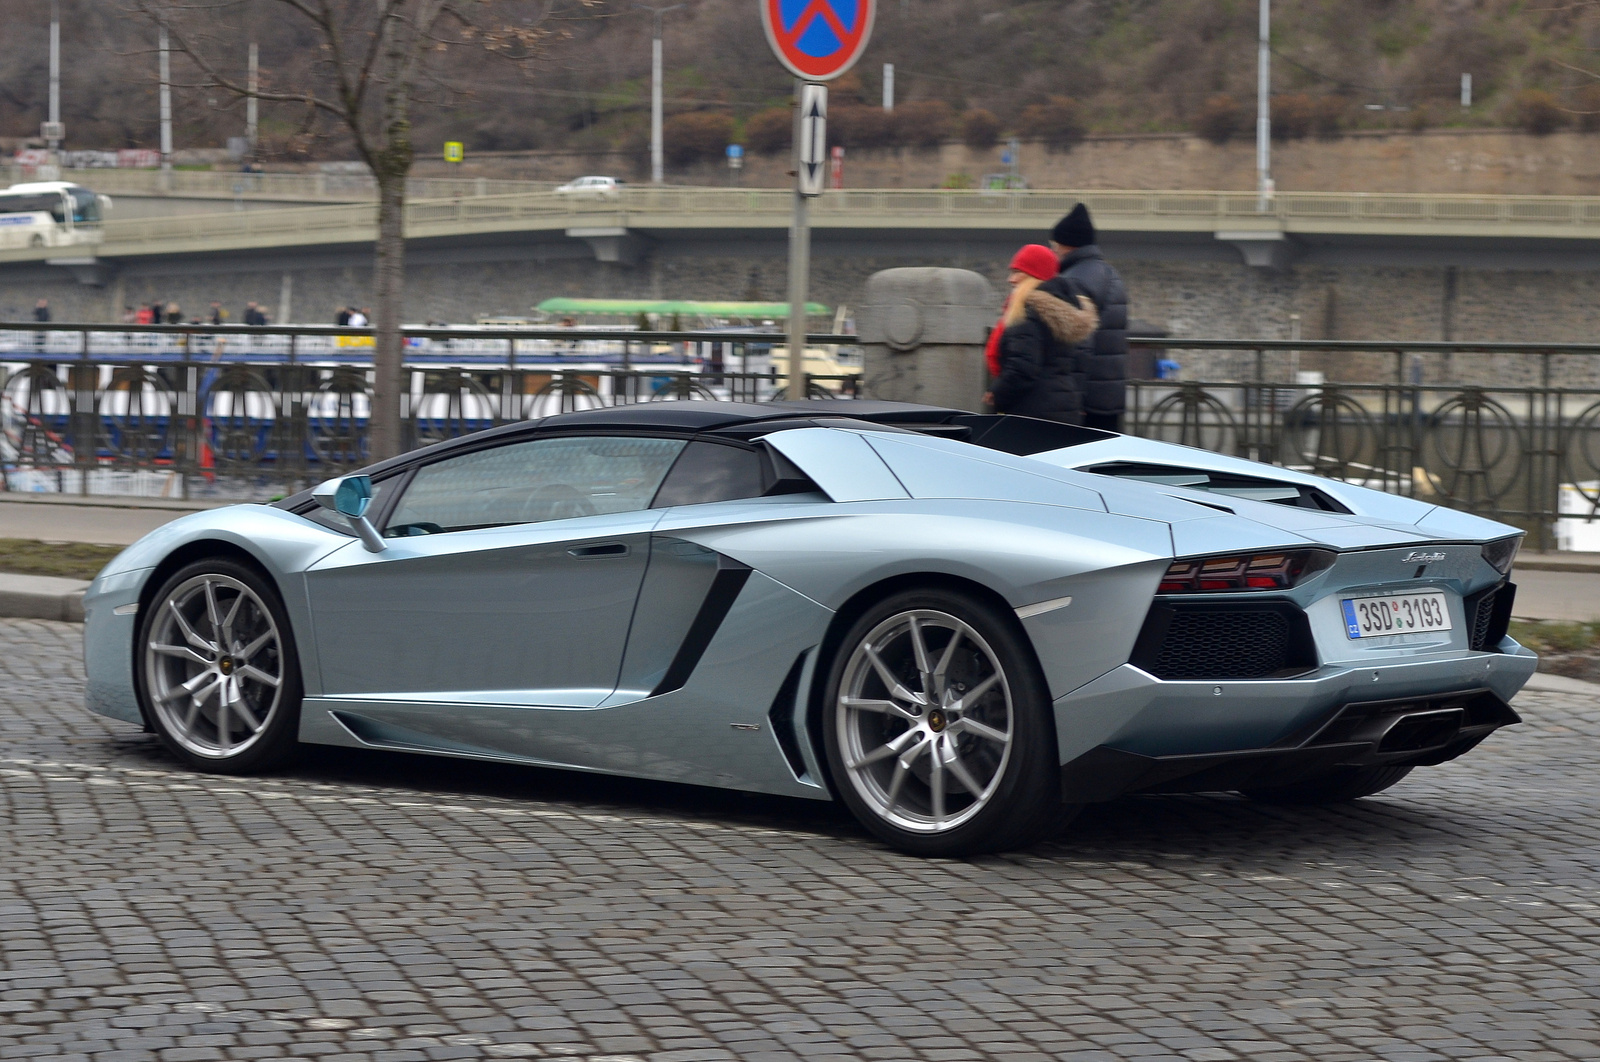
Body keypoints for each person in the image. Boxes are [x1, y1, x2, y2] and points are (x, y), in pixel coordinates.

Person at [983, 245, 1097, 423]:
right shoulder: (1062, 309)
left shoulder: (1027, 313)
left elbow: (1023, 367)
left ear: (1033, 277)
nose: (1010, 280)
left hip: (1033, 411)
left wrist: (997, 394)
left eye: (1017, 272)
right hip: (1062, 407)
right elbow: (1080, 363)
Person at [1047, 203, 1129, 433]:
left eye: (1054, 245)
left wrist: (1075, 396)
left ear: (1066, 245)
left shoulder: (1076, 279)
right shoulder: (1108, 273)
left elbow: (1079, 344)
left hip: (1087, 400)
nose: (1052, 251)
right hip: (1107, 394)